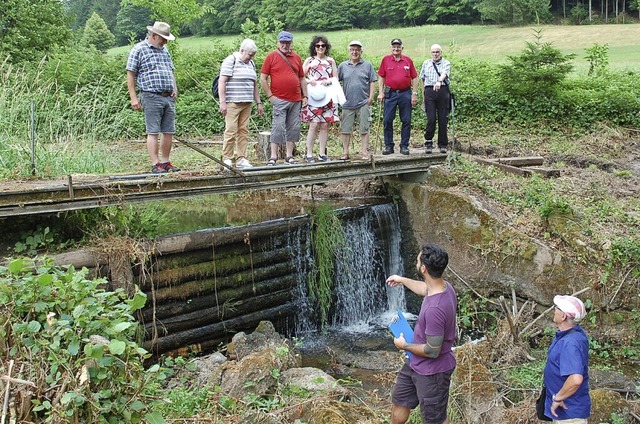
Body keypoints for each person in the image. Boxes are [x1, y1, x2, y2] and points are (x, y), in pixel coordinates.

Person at [386, 243, 457, 424]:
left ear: (424, 268)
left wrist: (404, 346)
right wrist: (401, 279)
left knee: (436, 419)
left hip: (433, 373)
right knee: (400, 402)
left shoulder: (435, 308)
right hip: (415, 363)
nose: (416, 263)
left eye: (418, 261)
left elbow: (433, 350)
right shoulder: (444, 287)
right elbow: (424, 289)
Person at [126, 21, 181, 174]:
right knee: (153, 131)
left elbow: (170, 70)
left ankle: (165, 162)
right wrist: (133, 97)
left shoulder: (165, 51)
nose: (165, 41)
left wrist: (174, 88)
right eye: (163, 38)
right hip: (150, 95)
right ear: (154, 35)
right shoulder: (139, 49)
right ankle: (155, 163)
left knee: (169, 130)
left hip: (167, 96)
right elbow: (130, 74)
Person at [260, 31, 307, 166]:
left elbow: (302, 78)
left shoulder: (296, 57)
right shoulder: (271, 57)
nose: (285, 45)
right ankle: (273, 156)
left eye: (287, 42)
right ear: (278, 43)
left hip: (296, 99)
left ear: (291, 43)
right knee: (278, 127)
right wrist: (270, 96)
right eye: (282, 42)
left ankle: (289, 155)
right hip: (279, 99)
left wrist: (305, 96)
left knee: (294, 127)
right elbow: (263, 78)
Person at [543, 295, 590, 423]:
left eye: (556, 308)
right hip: (564, 412)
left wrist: (558, 398)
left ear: (563, 316)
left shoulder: (571, 343)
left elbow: (575, 379)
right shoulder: (567, 335)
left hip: (570, 413)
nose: (554, 309)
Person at [219, 39, 263, 170]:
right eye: (250, 55)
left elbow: (254, 85)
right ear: (242, 50)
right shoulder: (230, 60)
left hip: (247, 102)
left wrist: (259, 102)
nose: (251, 57)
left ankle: (241, 158)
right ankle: (227, 158)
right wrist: (222, 102)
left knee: (243, 131)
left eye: (253, 55)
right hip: (232, 102)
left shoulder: (251, 64)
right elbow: (222, 81)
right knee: (231, 130)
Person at [377, 39, 419, 156]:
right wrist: (381, 92)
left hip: (405, 94)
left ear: (402, 48)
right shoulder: (385, 60)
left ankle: (404, 146)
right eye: (394, 46)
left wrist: (414, 94)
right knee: (387, 120)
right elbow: (381, 77)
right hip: (390, 93)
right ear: (391, 47)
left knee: (406, 120)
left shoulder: (408, 60)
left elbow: (415, 77)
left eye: (398, 46)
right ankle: (389, 146)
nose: (396, 48)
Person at [301, 35, 339, 163]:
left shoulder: (330, 61)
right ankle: (309, 153)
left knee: (324, 125)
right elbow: (300, 77)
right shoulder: (309, 60)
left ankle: (322, 153)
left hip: (327, 96)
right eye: (318, 45)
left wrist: (328, 81)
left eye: (323, 45)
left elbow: (335, 78)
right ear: (314, 47)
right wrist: (309, 81)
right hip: (313, 96)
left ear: (326, 47)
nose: (320, 48)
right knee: (313, 124)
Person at [338, 40, 377, 161]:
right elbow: (336, 82)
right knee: (345, 129)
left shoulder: (367, 65)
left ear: (361, 51)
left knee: (364, 128)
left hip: (363, 102)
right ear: (349, 51)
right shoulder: (343, 66)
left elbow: (372, 82)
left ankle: (364, 152)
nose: (355, 52)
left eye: (357, 50)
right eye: (352, 49)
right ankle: (345, 152)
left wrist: (371, 97)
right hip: (347, 103)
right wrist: (338, 99)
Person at [419, 44, 451, 154]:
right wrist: (423, 93)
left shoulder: (446, 63)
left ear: (440, 52)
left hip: (442, 90)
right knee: (431, 118)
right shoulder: (426, 63)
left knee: (443, 118)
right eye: (433, 52)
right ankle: (428, 142)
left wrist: (439, 81)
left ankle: (443, 144)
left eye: (437, 52)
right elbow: (422, 79)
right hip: (429, 91)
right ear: (430, 53)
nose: (435, 54)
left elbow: (444, 73)